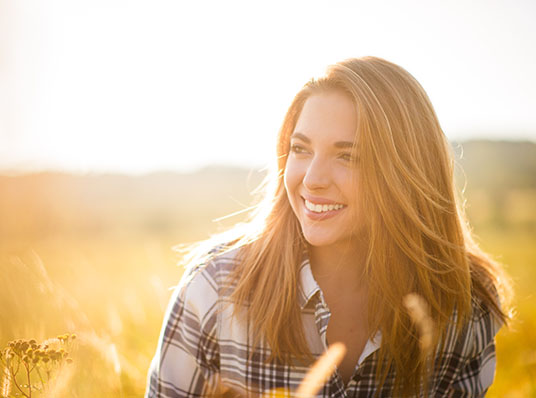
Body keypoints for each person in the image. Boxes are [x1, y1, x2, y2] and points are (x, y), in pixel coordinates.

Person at [145, 56, 513, 397]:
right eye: (301, 149)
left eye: (347, 156)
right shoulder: (214, 291)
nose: (313, 179)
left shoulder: (462, 308)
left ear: (407, 173)